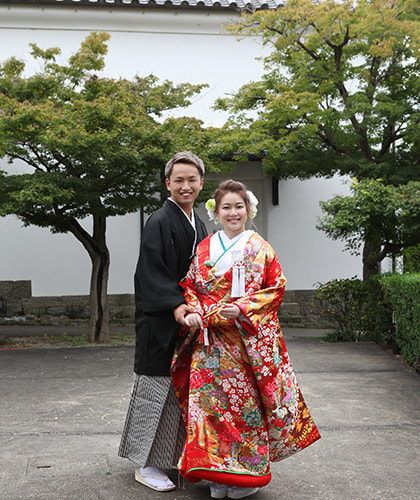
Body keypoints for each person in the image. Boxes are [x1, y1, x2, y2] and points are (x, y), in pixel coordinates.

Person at [171, 180, 321, 499]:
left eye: (239, 206)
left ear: (249, 210)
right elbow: (190, 286)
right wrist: (195, 311)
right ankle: (216, 475)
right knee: (209, 408)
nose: (233, 213)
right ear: (216, 212)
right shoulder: (205, 247)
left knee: (245, 408)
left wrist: (241, 308)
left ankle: (246, 476)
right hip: (210, 342)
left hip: (244, 343)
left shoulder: (260, 247)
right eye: (226, 207)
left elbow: (276, 288)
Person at [118, 151, 208, 492]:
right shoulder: (159, 221)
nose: (186, 186)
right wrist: (176, 305)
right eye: (178, 180)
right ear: (167, 183)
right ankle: (146, 464)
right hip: (160, 319)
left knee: (180, 391)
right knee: (154, 389)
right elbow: (151, 271)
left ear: (201, 183)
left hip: (187, 318)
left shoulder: (198, 223)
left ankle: (172, 457)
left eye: (192, 179)